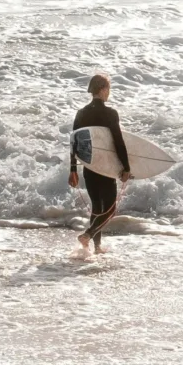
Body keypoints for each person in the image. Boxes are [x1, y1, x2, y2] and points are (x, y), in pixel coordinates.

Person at [69, 72, 130, 257]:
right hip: (106, 167)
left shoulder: (81, 113)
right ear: (103, 90)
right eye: (108, 89)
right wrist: (126, 167)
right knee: (109, 211)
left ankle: (95, 248)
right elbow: (118, 142)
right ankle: (88, 235)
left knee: (96, 208)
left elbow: (74, 142)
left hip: (90, 168)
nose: (108, 93)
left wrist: (73, 169)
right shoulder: (110, 113)